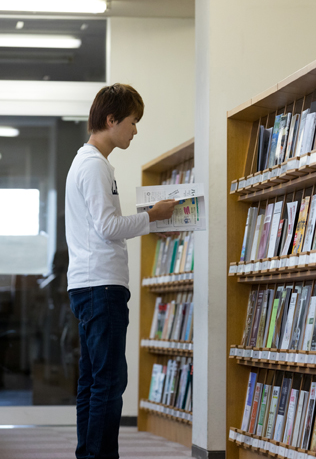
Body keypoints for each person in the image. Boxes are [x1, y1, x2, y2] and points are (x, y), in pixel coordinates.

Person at [65, 83, 177, 459]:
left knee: (94, 381)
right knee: (109, 382)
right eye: (132, 121)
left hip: (88, 285)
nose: (135, 130)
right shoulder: (94, 166)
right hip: (102, 287)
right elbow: (108, 228)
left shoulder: (87, 163)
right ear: (111, 120)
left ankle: (90, 454)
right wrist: (152, 217)